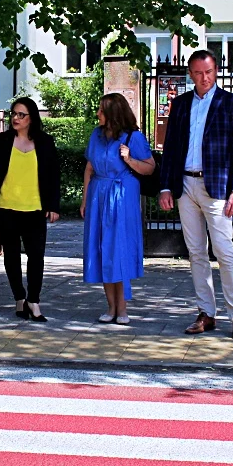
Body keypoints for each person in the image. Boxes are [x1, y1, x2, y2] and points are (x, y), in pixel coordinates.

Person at [158, 50, 233, 341]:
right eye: (198, 73)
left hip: (218, 188)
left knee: (225, 251)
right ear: (190, 73)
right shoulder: (181, 104)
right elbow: (171, 147)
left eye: (208, 72)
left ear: (217, 70)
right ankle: (206, 312)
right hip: (186, 185)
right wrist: (165, 186)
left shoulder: (230, 103)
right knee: (196, 252)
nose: (204, 78)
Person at [0, 98, 61, 322]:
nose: (15, 118)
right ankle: (19, 298)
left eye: (21, 114)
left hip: (35, 210)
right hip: (5, 208)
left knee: (36, 257)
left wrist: (53, 206)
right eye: (13, 113)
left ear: (31, 117)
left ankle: (34, 300)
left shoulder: (45, 142)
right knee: (11, 256)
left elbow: (53, 175)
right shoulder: (1, 140)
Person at [80, 92, 156, 325]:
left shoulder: (133, 137)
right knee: (102, 249)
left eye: (102, 110)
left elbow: (150, 168)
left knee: (117, 250)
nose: (97, 114)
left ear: (113, 113)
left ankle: (122, 308)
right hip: (98, 196)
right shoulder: (96, 134)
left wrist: (129, 159)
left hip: (122, 197)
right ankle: (110, 306)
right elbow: (89, 168)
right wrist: (84, 200)